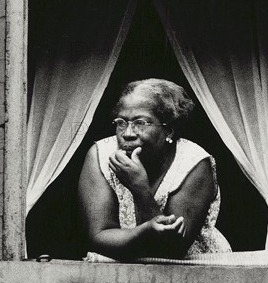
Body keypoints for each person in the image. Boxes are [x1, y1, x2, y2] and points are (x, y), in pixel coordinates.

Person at [77, 78, 232, 260]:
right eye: (121, 122)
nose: (128, 133)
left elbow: (171, 250)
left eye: (141, 123)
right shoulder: (100, 155)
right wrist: (146, 230)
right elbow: (99, 236)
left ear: (169, 131)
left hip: (194, 268)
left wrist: (140, 189)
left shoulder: (194, 162)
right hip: (126, 261)